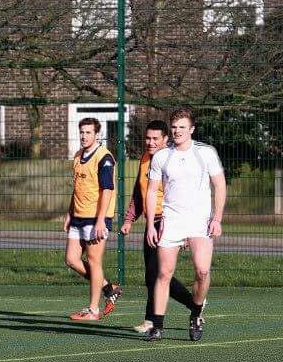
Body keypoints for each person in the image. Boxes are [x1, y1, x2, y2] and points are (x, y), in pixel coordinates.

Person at [144, 107, 225, 342]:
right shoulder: (161, 156)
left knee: (202, 270)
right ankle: (157, 326)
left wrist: (217, 218)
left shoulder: (206, 153)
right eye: (175, 127)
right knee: (164, 273)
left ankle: (196, 312)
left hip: (200, 222)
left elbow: (219, 185)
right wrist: (151, 225)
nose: (178, 131)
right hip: (171, 221)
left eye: (182, 127)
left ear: (191, 129)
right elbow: (151, 192)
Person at [120, 120, 196, 333]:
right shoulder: (145, 159)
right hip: (151, 224)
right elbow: (139, 192)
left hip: (169, 221)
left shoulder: (174, 161)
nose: (150, 142)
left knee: (158, 274)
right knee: (153, 275)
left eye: (155, 139)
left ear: (165, 140)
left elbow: (186, 197)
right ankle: (192, 306)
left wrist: (185, 231)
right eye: (147, 138)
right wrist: (129, 219)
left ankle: (158, 318)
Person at [65, 117, 122, 321]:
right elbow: (77, 188)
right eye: (82, 132)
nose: (84, 136)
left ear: (97, 135)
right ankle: (108, 287)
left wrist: (100, 220)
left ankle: (93, 310)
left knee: (93, 261)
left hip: (96, 218)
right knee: (71, 259)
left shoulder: (104, 157)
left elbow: (107, 190)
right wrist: (70, 213)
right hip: (78, 217)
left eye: (88, 132)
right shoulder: (78, 155)